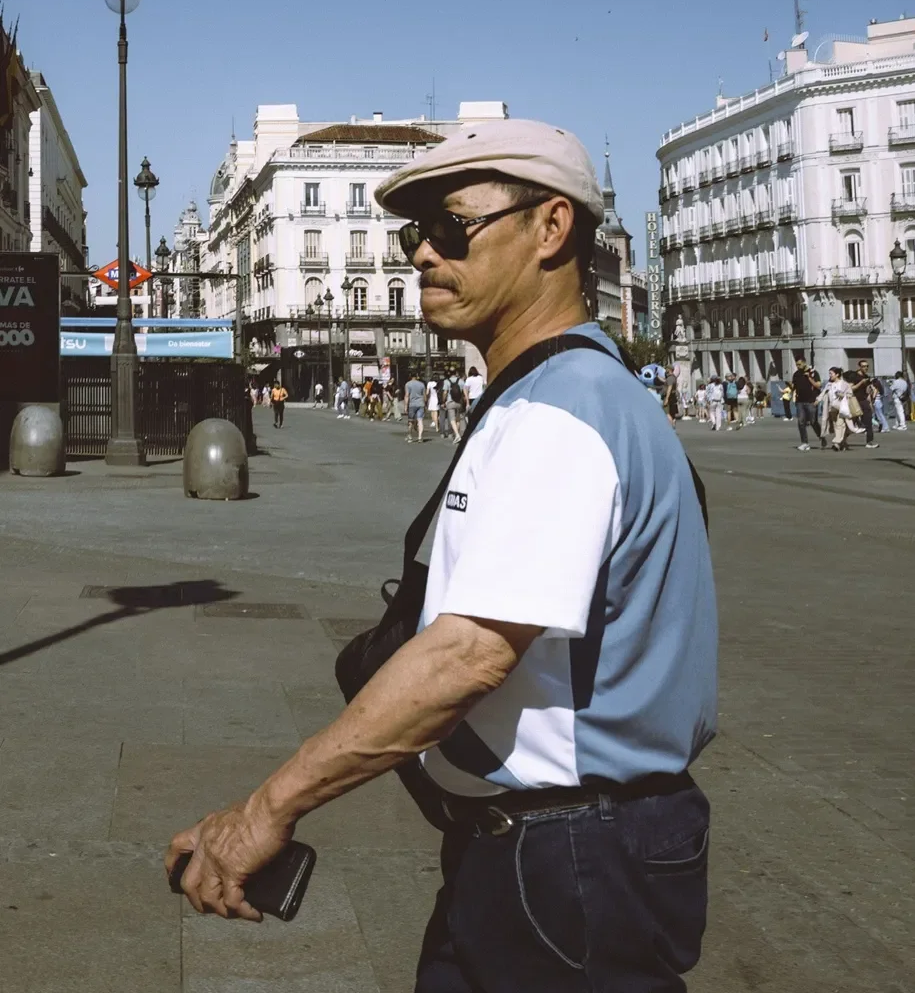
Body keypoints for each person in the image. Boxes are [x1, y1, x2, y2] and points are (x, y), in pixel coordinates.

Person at [166, 117, 717, 992]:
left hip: (569, 858)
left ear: (550, 228)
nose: (421, 255)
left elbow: (469, 655)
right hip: (540, 848)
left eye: (453, 228)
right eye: (414, 234)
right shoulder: (555, 392)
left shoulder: (560, 413)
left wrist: (265, 810)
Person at [790, 356, 823, 451]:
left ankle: (821, 436)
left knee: (813, 422)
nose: (798, 366)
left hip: (811, 401)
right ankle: (804, 443)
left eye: (799, 364)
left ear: (804, 363)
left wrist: (809, 377)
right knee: (801, 422)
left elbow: (818, 385)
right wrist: (789, 389)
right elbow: (794, 386)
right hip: (800, 401)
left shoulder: (813, 373)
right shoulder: (796, 374)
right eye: (796, 364)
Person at [846, 358, 879, 449]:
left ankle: (869, 441)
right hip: (854, 401)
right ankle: (842, 440)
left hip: (864, 401)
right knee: (851, 422)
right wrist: (861, 382)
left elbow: (867, 390)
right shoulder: (854, 376)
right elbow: (851, 388)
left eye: (867, 366)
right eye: (863, 366)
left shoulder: (866, 377)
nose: (866, 368)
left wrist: (870, 397)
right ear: (859, 367)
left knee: (868, 421)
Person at [821, 366, 852, 450]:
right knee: (836, 426)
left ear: (837, 374)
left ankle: (837, 443)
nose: (830, 375)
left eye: (831, 373)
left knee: (839, 425)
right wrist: (818, 400)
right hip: (832, 408)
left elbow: (850, 394)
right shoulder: (829, 384)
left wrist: (842, 395)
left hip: (842, 408)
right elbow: (824, 393)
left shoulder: (844, 384)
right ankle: (843, 443)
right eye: (829, 373)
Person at [403, 370, 426, 443]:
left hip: (412, 404)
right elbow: (424, 396)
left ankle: (410, 436)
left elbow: (407, 395)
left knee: (410, 421)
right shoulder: (422, 384)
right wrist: (425, 403)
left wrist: (405, 406)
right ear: (417, 376)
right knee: (420, 420)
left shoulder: (408, 384)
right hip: (420, 404)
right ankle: (420, 437)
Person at [444, 374, 464, 443]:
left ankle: (457, 435)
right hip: (459, 402)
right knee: (458, 419)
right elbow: (464, 392)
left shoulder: (446, 381)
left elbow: (445, 392)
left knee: (452, 419)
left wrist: (443, 401)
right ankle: (457, 434)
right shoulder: (461, 381)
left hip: (450, 402)